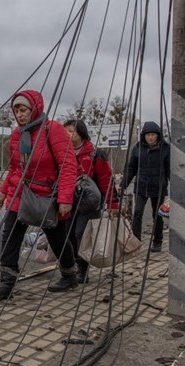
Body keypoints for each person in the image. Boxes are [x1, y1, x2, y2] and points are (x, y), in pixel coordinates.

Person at [0, 90, 80, 298]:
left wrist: (65, 198)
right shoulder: (17, 135)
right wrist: (3, 193)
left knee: (57, 239)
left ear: (35, 108)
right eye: (16, 111)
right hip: (21, 193)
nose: (20, 115)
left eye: (24, 110)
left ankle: (69, 274)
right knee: (10, 236)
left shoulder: (53, 130)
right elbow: (14, 169)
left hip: (48, 195)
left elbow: (68, 165)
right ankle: (7, 282)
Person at [63, 119, 119, 283]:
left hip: (89, 204)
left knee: (82, 235)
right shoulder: (63, 153)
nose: (67, 134)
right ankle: (70, 268)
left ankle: (83, 269)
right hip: (67, 201)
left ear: (81, 133)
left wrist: (112, 203)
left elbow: (106, 180)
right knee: (68, 235)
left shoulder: (94, 153)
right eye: (65, 130)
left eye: (71, 130)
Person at [117, 121, 170, 252]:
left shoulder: (165, 149)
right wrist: (123, 185)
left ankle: (157, 241)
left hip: (158, 187)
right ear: (144, 136)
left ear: (158, 135)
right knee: (138, 213)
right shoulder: (138, 148)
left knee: (156, 215)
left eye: (153, 134)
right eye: (148, 135)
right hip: (141, 186)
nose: (150, 137)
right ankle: (136, 240)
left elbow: (169, 169)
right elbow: (131, 168)